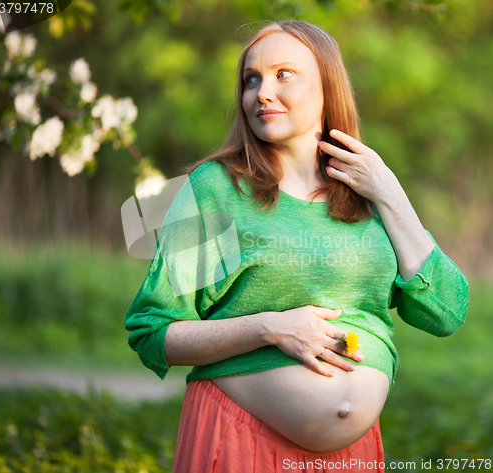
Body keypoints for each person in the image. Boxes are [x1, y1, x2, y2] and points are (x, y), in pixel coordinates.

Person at [124, 20, 469, 473]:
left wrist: (390, 193)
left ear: (327, 87)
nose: (262, 92)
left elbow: (446, 311)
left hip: (351, 458)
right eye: (252, 79)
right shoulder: (215, 189)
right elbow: (153, 331)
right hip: (238, 438)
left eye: (283, 74)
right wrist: (269, 328)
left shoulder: (370, 198)